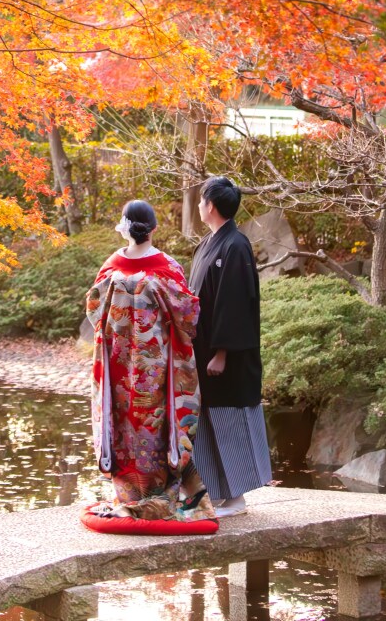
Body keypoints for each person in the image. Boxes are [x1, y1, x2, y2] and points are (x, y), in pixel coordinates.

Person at [85, 199, 215, 521]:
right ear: (154, 228)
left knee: (121, 423)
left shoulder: (110, 267)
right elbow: (188, 316)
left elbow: (93, 312)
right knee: (155, 424)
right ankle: (159, 497)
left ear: (124, 227)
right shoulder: (167, 267)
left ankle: (128, 497)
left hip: (117, 366)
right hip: (155, 366)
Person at [188, 175, 273, 517]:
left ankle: (237, 498)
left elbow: (234, 303)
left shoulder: (235, 246)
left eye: (200, 200)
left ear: (210, 205)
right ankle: (222, 494)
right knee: (209, 422)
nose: (198, 205)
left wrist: (222, 352)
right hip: (204, 350)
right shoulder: (210, 243)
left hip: (226, 356)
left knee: (230, 421)